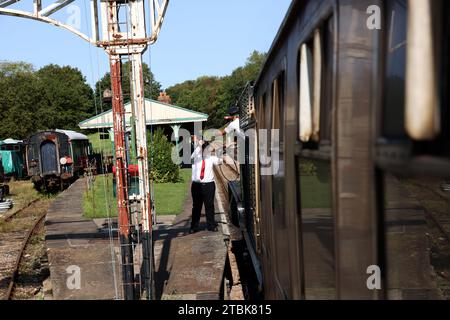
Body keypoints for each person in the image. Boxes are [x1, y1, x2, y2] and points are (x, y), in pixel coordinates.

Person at [190, 137, 223, 233]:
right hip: (197, 185)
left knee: (210, 206)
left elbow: (220, 161)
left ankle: (211, 226)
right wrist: (199, 145)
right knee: (196, 206)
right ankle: (194, 227)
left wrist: (219, 150)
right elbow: (193, 155)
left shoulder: (211, 158)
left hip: (209, 185)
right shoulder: (195, 157)